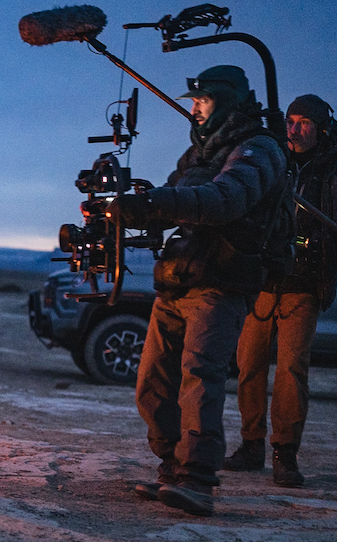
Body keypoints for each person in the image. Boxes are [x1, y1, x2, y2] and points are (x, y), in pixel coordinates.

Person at [108, 65, 293, 516]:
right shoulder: (200, 153)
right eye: (192, 101)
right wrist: (133, 209)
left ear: (224, 101)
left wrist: (157, 203)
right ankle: (172, 469)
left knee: (200, 380)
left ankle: (198, 480)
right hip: (178, 278)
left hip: (222, 281)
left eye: (201, 101)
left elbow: (224, 199)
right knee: (152, 382)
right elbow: (175, 199)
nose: (193, 109)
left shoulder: (259, 149)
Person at [227, 95, 337, 487]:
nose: (294, 129)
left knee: (292, 370)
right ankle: (250, 445)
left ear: (322, 129)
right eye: (290, 121)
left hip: (305, 286)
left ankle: (285, 454)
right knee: (248, 366)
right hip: (261, 281)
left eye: (304, 123)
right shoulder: (269, 163)